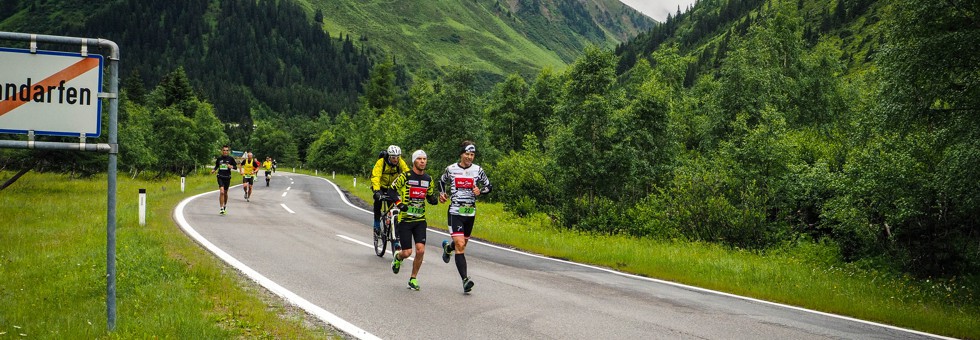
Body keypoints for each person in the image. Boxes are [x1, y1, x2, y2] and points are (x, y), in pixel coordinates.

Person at [438, 141, 492, 293]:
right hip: (455, 211)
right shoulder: (451, 169)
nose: (469, 157)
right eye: (467, 154)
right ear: (461, 154)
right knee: (460, 245)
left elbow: (489, 186)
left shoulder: (478, 170)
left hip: (470, 212)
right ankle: (465, 280)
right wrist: (442, 193)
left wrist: (480, 191)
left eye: (472, 155)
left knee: (461, 245)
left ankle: (448, 248)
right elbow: (441, 181)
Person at [390, 150, 439, 291]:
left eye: (424, 159)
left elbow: (429, 196)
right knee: (407, 252)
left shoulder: (428, 179)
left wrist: (435, 199)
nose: (422, 161)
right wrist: (399, 204)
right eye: (419, 159)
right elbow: (392, 190)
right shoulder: (405, 176)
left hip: (420, 220)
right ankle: (398, 257)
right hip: (405, 220)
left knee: (420, 250)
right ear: (414, 161)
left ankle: (413, 279)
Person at [370, 145, 409, 233]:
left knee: (395, 205)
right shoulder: (381, 162)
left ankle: (392, 224)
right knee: (378, 202)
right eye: (393, 157)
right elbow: (376, 176)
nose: (396, 160)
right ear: (389, 156)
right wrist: (376, 190)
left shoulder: (400, 162)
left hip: (392, 188)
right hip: (380, 186)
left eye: (398, 157)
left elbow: (407, 173)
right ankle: (376, 224)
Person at [210, 145, 238, 215]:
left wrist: (231, 166)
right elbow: (217, 166)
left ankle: (225, 205)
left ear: (228, 151)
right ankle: (221, 208)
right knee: (222, 192)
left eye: (227, 150)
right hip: (220, 177)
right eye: (224, 150)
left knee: (225, 193)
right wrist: (214, 170)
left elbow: (235, 167)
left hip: (227, 177)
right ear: (222, 151)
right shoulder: (219, 159)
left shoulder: (231, 159)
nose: (225, 152)